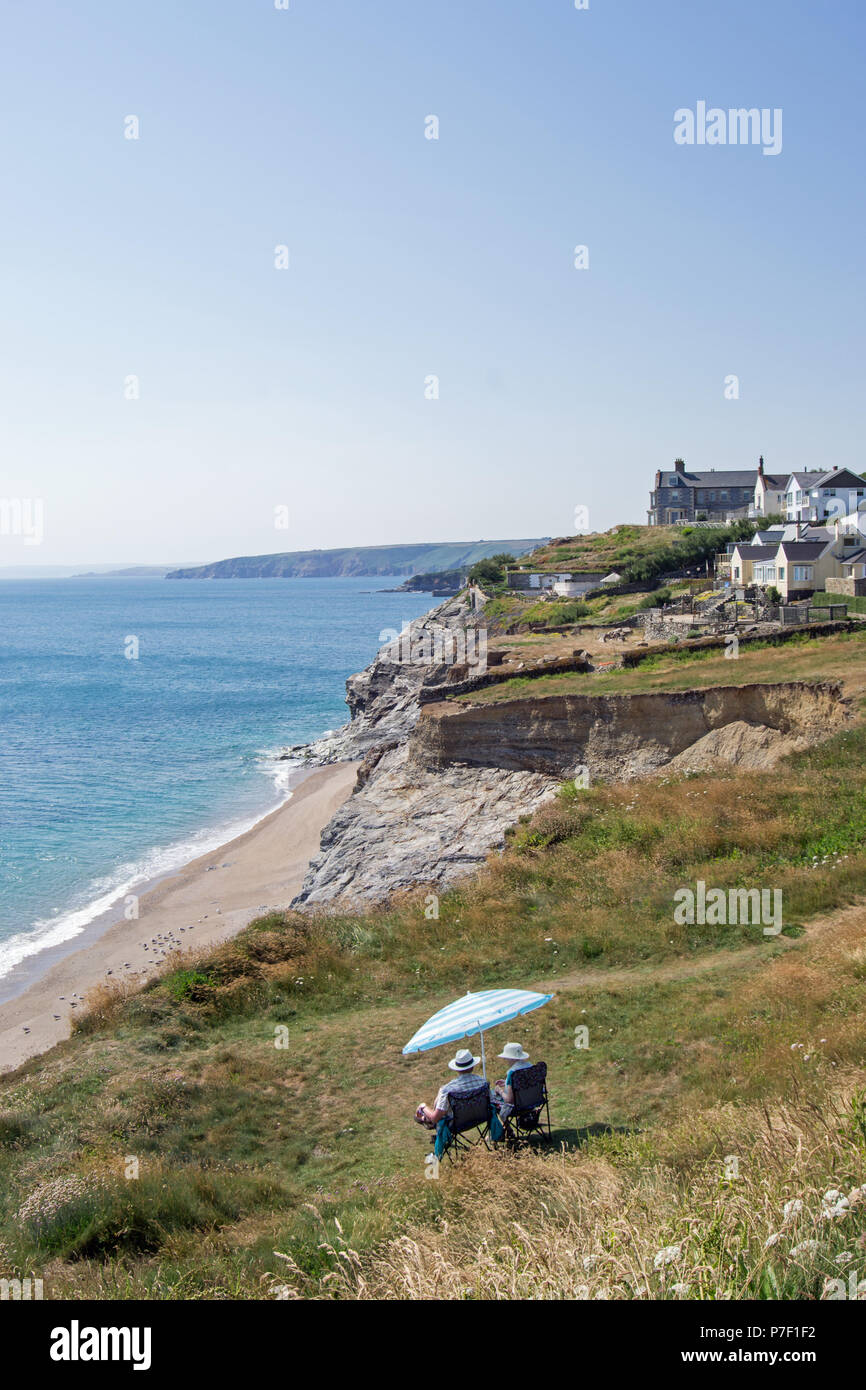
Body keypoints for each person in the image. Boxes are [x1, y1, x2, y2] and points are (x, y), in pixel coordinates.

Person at [415, 1048, 493, 1128]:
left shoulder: (448, 1090)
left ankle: (425, 1119)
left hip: (457, 1125)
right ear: (472, 1066)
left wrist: (423, 1107)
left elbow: (435, 1118)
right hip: (481, 1118)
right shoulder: (483, 1082)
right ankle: (426, 1120)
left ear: (457, 1069)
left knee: (437, 1113)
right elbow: (492, 1102)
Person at [492, 1042, 533, 1120]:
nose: (504, 1059)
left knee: (492, 1100)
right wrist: (506, 1082)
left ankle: (508, 1130)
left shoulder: (513, 1072)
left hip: (518, 1107)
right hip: (532, 1102)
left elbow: (509, 1100)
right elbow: (524, 1083)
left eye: (506, 1057)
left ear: (510, 1058)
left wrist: (500, 1090)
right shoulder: (530, 1066)